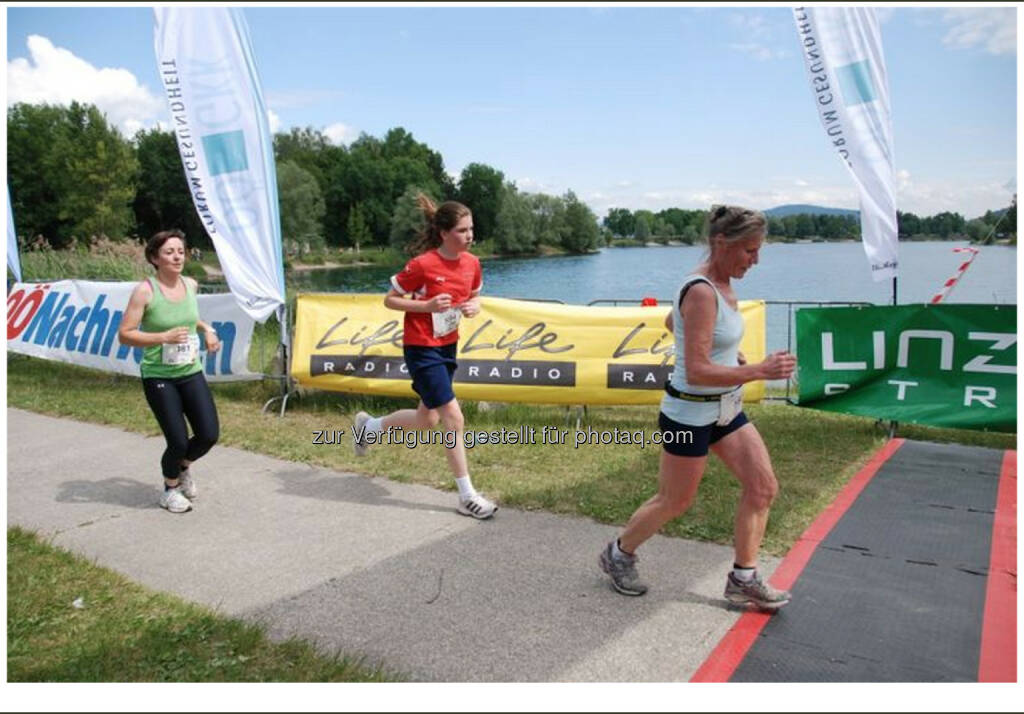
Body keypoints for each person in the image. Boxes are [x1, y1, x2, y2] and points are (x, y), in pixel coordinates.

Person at [598, 204, 796, 610]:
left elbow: (675, 323)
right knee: (675, 500)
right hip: (687, 412)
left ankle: (744, 577)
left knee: (763, 487)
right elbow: (700, 371)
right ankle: (618, 554)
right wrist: (758, 369)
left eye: (758, 251)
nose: (755, 261)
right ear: (721, 243)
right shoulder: (703, 290)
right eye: (749, 251)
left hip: (724, 409)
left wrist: (731, 353)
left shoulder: (721, 284)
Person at [352, 195, 497, 520]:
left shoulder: (472, 264)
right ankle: (467, 496)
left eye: (471, 229)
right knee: (454, 418)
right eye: (462, 230)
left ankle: (367, 427)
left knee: (426, 420)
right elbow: (390, 300)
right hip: (421, 348)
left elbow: (473, 299)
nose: (469, 236)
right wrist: (426, 307)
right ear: (444, 232)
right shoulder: (423, 265)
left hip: (447, 346)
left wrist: (475, 308)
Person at [118, 229, 221, 513]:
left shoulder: (191, 284)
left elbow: (190, 317)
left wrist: (208, 330)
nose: (177, 257)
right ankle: (170, 490)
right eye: (169, 252)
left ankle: (183, 467)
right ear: (154, 258)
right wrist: (162, 337)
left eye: (180, 251)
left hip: (190, 370)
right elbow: (125, 335)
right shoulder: (145, 291)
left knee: (208, 434)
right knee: (176, 439)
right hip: (159, 376)